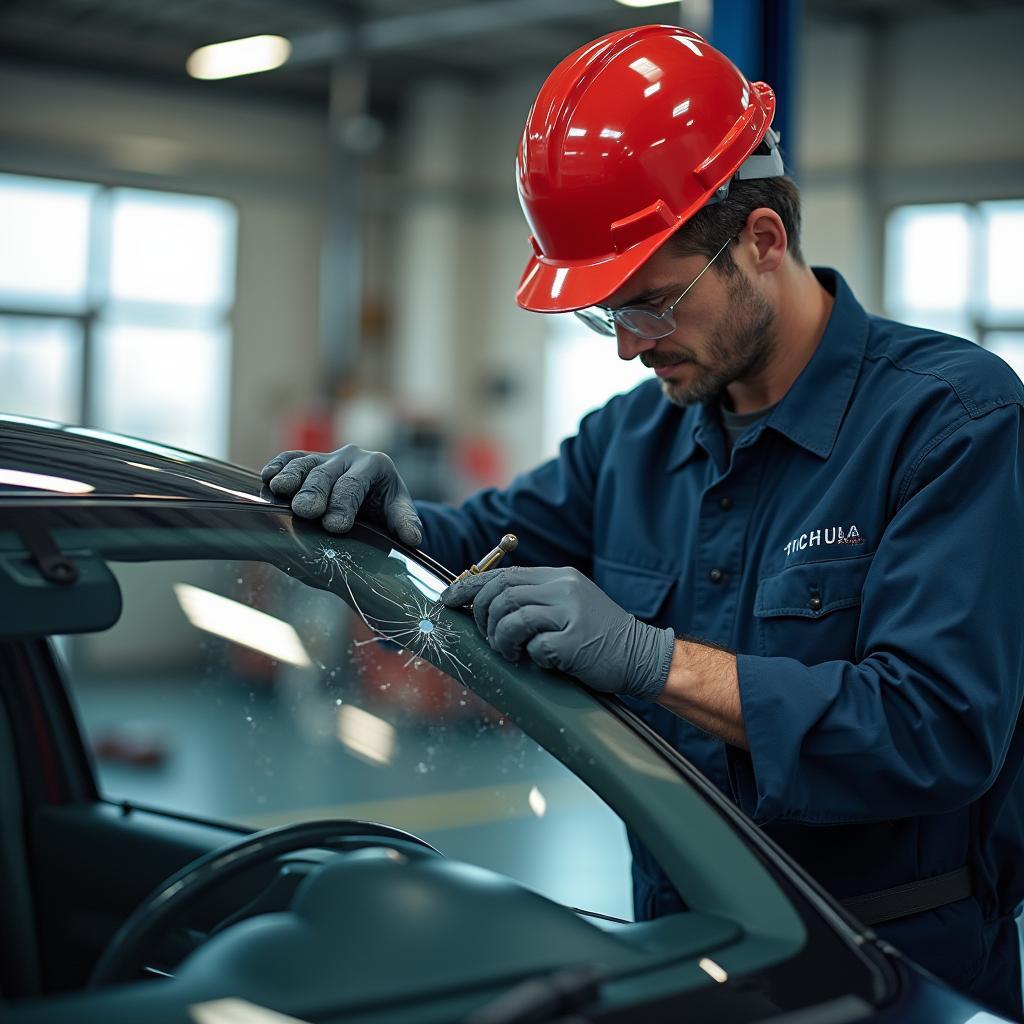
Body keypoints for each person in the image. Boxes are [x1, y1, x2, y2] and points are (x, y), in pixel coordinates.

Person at [261, 25, 1024, 1019]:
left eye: (651, 304)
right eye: (603, 316)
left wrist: (653, 659)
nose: (628, 348)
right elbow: (485, 537)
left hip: (889, 965)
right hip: (680, 943)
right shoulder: (634, 437)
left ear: (760, 239)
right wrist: (389, 516)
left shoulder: (949, 423)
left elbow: (935, 727)